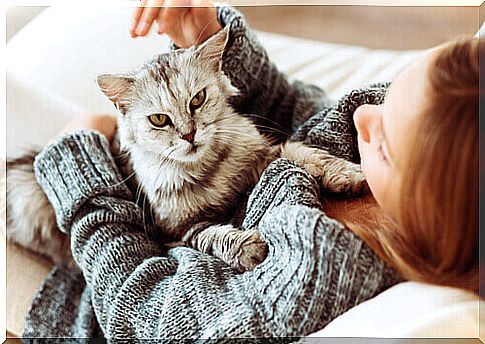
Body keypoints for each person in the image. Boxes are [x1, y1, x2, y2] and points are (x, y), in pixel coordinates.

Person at [23, 1, 479, 339]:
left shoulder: (317, 270)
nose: (363, 113)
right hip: (156, 162)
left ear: (429, 212)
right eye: (391, 93)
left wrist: (83, 177)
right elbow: (298, 113)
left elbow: (145, 316)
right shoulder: (422, 126)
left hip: (95, 276)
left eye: (385, 141)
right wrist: (207, 40)